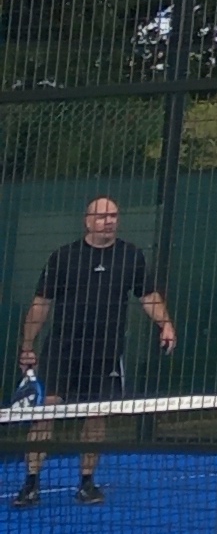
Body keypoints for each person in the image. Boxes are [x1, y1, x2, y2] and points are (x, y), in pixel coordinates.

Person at [16, 195, 176, 506]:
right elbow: (41, 304)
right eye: (102, 216)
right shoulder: (64, 257)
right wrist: (27, 347)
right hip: (62, 349)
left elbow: (148, 296)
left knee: (96, 415)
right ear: (87, 221)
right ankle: (31, 483)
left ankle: (87, 483)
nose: (109, 221)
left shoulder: (130, 256)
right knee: (45, 412)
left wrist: (165, 324)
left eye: (113, 216)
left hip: (106, 352)